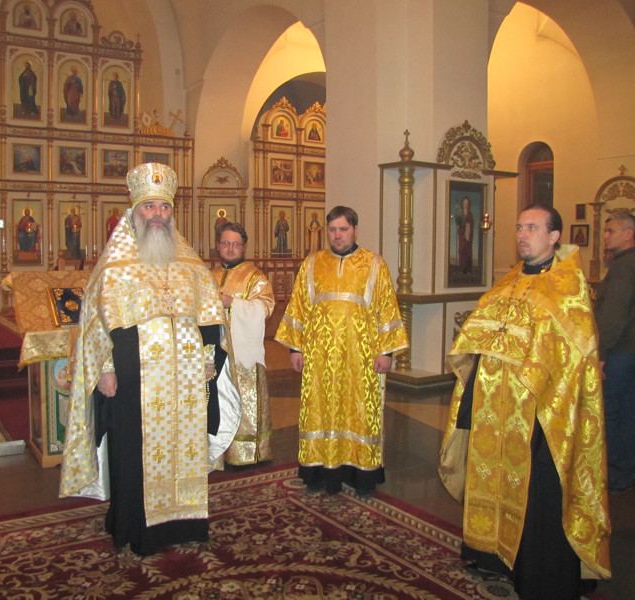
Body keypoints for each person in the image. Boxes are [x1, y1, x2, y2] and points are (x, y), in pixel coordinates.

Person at [59, 162, 237, 556]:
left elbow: (210, 318)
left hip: (186, 379)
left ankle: (185, 522)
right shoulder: (115, 264)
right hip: (133, 377)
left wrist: (207, 358)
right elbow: (97, 321)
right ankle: (134, 527)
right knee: (133, 451)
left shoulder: (189, 262)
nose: (158, 214)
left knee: (185, 451)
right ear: (135, 211)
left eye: (164, 207)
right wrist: (105, 370)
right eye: (150, 206)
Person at [439, 204, 610, 599]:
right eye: (519, 227)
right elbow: (481, 335)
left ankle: (539, 572)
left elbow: (572, 355)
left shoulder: (569, 288)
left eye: (532, 228)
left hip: (540, 412)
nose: (522, 234)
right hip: (492, 406)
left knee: (536, 491)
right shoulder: (509, 281)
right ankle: (491, 554)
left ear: (554, 236)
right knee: (492, 476)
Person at [275, 205, 409, 495]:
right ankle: (317, 472)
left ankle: (361, 475)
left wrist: (386, 352)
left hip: (360, 357)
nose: (337, 235)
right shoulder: (312, 263)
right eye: (332, 230)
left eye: (343, 229)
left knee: (359, 412)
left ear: (355, 230)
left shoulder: (374, 264)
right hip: (318, 356)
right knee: (319, 411)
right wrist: (296, 348)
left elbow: (387, 308)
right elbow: (299, 306)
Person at [211, 222, 275, 465]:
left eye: (235, 244)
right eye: (226, 243)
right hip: (215, 352)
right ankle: (219, 451)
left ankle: (246, 452)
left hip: (243, 354)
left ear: (244, 247)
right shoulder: (209, 276)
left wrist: (233, 304)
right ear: (218, 245)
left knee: (244, 400)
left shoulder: (255, 276)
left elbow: (266, 307)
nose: (230, 248)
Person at [594, 209, 635, 494]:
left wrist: (601, 355)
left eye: (611, 231)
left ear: (629, 233)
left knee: (613, 413)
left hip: (620, 352)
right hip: (629, 350)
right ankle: (625, 472)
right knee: (628, 411)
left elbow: (614, 315)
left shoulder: (624, 267)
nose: (605, 237)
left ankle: (615, 475)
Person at [456, 196, 474, 273]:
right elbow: (458, 223)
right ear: (462, 204)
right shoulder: (460, 214)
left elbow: (471, 224)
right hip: (462, 236)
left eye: (467, 204)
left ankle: (467, 269)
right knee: (461, 250)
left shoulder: (470, 215)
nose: (466, 205)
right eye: (464, 204)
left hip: (468, 236)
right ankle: (462, 267)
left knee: (467, 252)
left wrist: (468, 227)